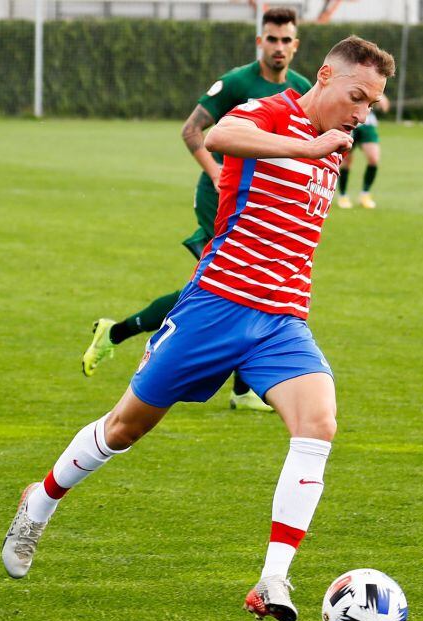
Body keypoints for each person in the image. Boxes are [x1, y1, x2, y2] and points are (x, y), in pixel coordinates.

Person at [2, 36, 395, 621]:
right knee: (124, 428)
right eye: (356, 96)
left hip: (282, 318)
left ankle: (273, 577)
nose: (361, 113)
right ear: (324, 76)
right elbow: (218, 138)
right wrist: (309, 145)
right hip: (215, 306)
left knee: (319, 424)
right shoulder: (274, 113)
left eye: (372, 104)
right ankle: (41, 500)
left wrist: (322, 148)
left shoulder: (335, 146)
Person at [80, 7, 311, 413]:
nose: (278, 47)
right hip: (222, 199)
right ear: (260, 41)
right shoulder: (239, 82)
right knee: (227, 288)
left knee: (249, 287)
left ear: (296, 44)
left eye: (285, 40)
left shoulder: (300, 87)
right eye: (271, 39)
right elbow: (192, 129)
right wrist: (219, 173)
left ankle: (238, 388)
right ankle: (119, 335)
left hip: (266, 203)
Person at [336, 94, 389, 209]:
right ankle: (343, 195)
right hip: (350, 121)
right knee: (346, 162)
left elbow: (385, 106)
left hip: (368, 125)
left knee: (373, 159)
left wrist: (380, 99)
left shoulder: (374, 84)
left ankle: (365, 194)